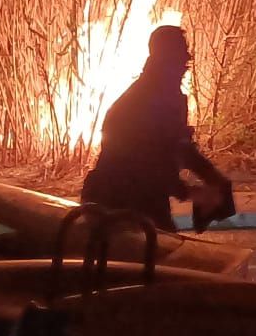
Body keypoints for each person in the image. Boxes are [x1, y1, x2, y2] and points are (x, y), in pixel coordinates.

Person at [81, 25, 231, 231]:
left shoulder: (168, 96)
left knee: (166, 253)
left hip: (141, 198)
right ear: (167, 60)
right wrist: (189, 192)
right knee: (162, 256)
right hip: (117, 201)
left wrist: (215, 179)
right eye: (181, 57)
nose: (187, 63)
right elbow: (145, 164)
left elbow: (179, 146)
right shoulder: (144, 101)